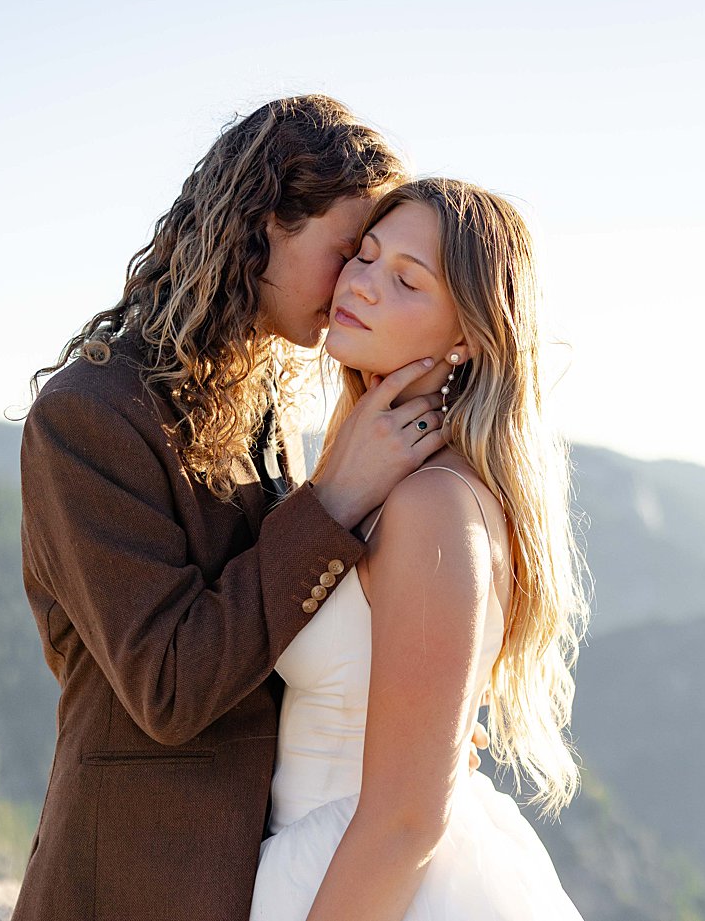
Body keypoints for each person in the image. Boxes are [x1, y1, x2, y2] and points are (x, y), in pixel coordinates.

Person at [16, 95, 447, 920]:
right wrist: (336, 500)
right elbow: (170, 685)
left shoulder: (264, 412)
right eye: (348, 251)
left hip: (271, 876)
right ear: (266, 225)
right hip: (133, 885)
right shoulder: (88, 415)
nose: (356, 281)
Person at [249, 178, 587, 920]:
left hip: (364, 882)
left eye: (405, 279)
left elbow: (407, 819)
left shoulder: (431, 504)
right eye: (364, 257)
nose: (362, 284)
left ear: (466, 335)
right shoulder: (373, 479)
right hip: (322, 860)